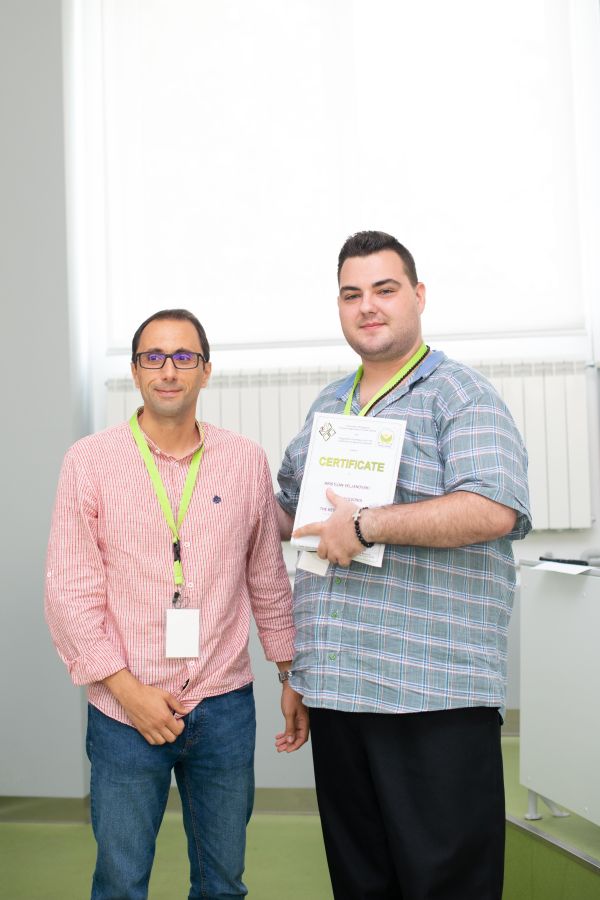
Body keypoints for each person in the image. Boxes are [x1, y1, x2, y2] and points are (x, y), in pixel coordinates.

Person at [275, 231, 531, 900]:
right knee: (362, 882)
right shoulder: (330, 405)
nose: (367, 306)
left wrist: (368, 525)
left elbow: (493, 509)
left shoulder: (461, 396)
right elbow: (294, 521)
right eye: (351, 294)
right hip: (340, 691)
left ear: (418, 296)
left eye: (384, 290)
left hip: (432, 697)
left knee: (445, 883)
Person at [45, 308, 309, 900]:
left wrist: (290, 672)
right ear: (135, 371)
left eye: (184, 357)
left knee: (223, 884)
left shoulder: (243, 459)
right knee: (120, 884)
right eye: (154, 357)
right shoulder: (89, 462)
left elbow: (267, 577)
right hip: (124, 710)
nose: (169, 370)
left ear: (206, 371)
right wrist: (129, 694)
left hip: (224, 703)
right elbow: (69, 594)